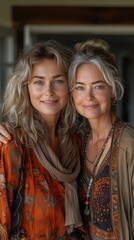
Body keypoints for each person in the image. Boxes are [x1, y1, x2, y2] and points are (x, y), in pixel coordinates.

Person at [0, 40, 85, 239]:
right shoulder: (12, 145)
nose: (49, 91)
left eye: (58, 81)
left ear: (70, 86)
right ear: (25, 88)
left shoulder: (78, 141)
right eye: (38, 82)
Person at [68, 38, 134, 240]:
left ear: (112, 89)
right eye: (80, 87)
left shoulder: (128, 145)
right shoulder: (76, 140)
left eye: (97, 86)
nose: (88, 97)